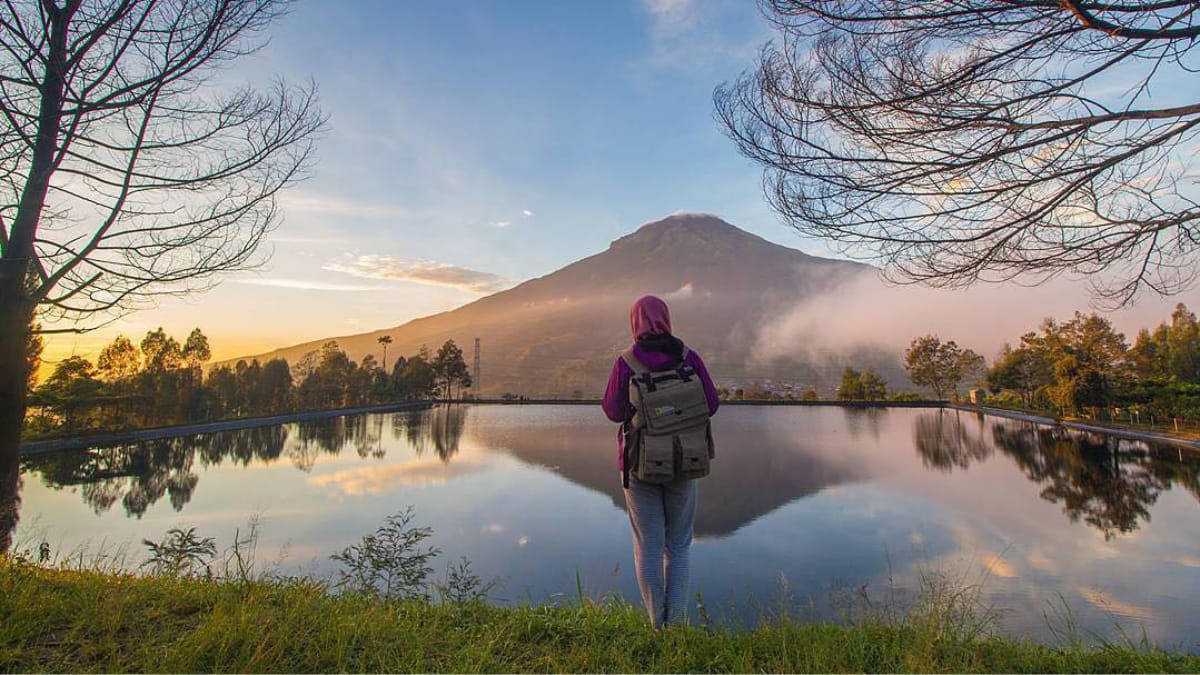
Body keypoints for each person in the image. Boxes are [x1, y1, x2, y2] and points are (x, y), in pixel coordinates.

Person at [602, 294, 719, 627]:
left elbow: (613, 411)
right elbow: (711, 404)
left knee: (648, 546)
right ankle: (677, 626)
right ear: (667, 319)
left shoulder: (626, 362)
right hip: (685, 461)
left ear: (634, 323)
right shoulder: (688, 358)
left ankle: (657, 625)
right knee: (679, 545)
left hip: (639, 465)